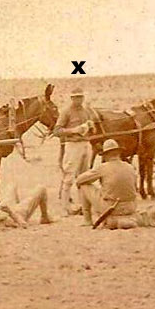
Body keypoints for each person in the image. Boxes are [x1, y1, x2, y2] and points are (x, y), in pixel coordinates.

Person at [75, 139, 139, 229]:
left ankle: (87, 220)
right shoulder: (130, 167)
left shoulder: (103, 167)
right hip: (130, 207)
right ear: (119, 153)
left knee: (84, 186)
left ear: (105, 156)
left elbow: (79, 180)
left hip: (111, 207)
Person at [53, 87, 93, 215]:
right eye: (76, 97)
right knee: (69, 176)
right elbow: (57, 131)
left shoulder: (86, 111)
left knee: (84, 177)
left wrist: (91, 127)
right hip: (73, 145)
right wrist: (74, 130)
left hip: (86, 144)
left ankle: (84, 206)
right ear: (71, 98)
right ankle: (65, 208)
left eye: (80, 97)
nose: (78, 99)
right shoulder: (66, 112)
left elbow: (93, 131)